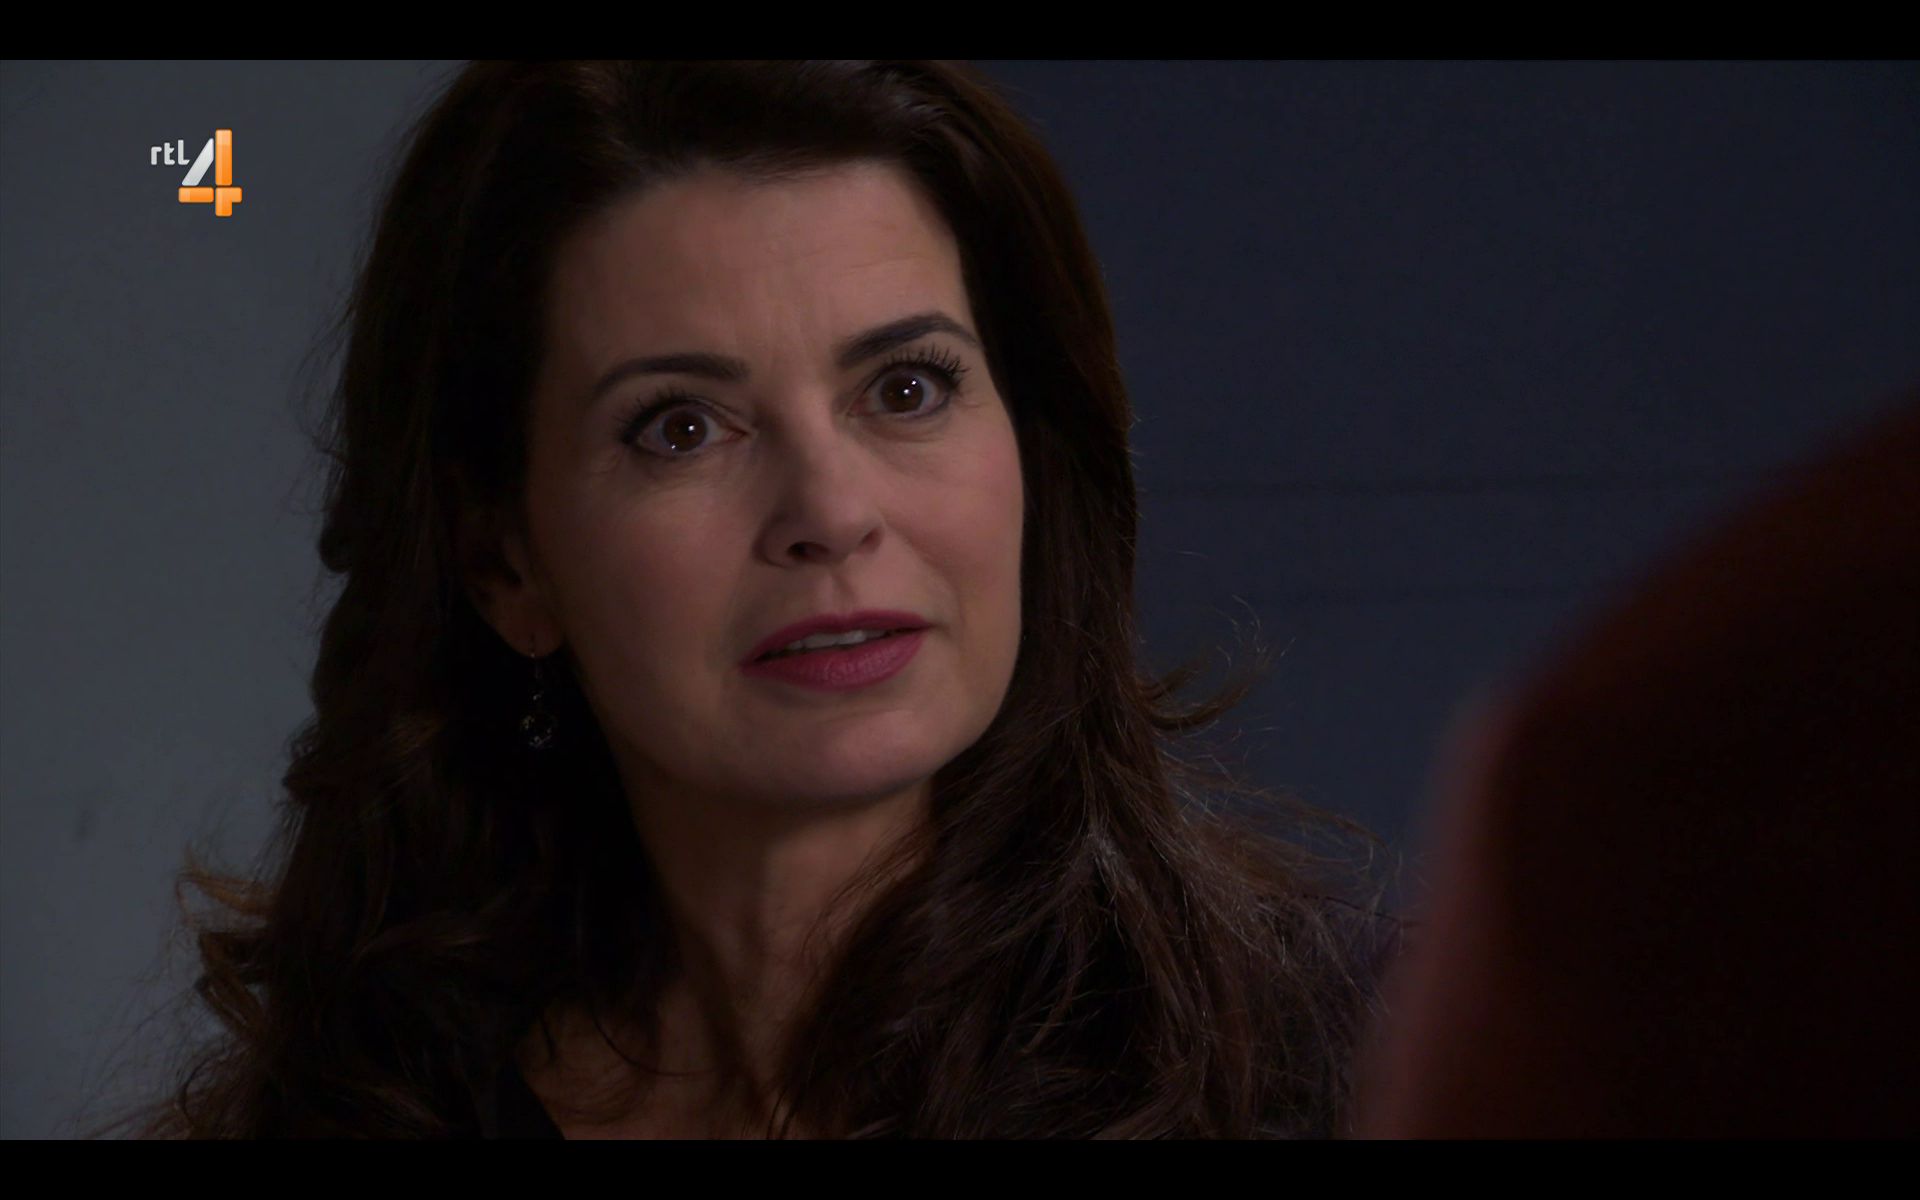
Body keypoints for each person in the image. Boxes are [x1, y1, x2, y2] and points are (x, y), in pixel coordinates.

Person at [132, 61, 1399, 1139]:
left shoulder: (1369, 1072)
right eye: (681, 427)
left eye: (906, 389)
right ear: (504, 565)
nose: (831, 511)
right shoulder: (355, 1113)